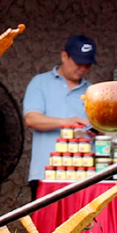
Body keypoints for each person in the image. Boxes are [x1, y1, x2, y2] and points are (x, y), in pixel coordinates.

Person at [22, 36, 97, 187]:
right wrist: (66, 122)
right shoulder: (40, 82)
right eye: (79, 62)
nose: (83, 68)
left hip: (83, 174)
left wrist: (98, 131)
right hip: (46, 173)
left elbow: (100, 127)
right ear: (64, 56)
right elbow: (31, 119)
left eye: (88, 64)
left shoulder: (93, 91)